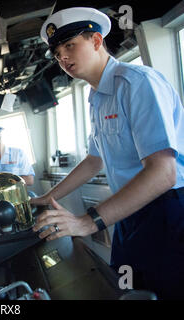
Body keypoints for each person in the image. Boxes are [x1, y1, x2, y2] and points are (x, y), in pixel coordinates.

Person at [32, 7, 184, 299]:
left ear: (97, 41)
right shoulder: (97, 98)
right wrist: (46, 197)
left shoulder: (137, 83)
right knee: (126, 290)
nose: (62, 57)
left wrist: (87, 222)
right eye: (56, 53)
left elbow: (164, 173)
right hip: (129, 211)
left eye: (69, 45)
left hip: (167, 211)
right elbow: (94, 159)